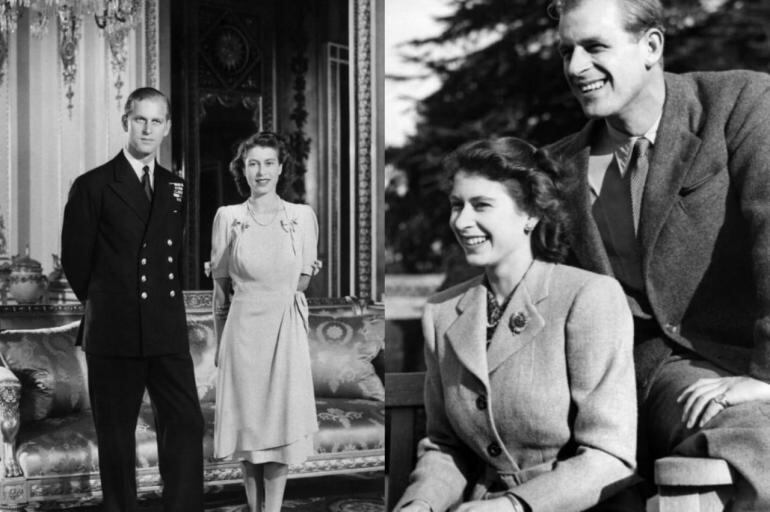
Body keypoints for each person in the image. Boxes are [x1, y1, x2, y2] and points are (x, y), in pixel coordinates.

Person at [547, 0, 770, 509]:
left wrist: (767, 377)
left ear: (651, 46)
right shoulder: (556, 168)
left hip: (746, 364)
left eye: (594, 47)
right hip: (649, 381)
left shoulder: (740, 104)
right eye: (566, 51)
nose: (576, 67)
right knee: (759, 438)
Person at [395, 138, 638, 512]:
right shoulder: (441, 313)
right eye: (457, 205)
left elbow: (609, 455)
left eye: (482, 205)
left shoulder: (588, 297)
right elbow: (446, 447)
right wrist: (420, 504)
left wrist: (511, 506)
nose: (461, 221)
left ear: (530, 214)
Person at [61, 87, 204, 512]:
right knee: (116, 436)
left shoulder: (175, 186)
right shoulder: (93, 185)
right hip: (115, 329)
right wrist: (111, 303)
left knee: (185, 422)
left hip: (165, 328)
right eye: (140, 119)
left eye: (156, 121)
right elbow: (76, 261)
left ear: (167, 128)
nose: (147, 129)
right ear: (126, 121)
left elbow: (174, 256)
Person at [210, 131, 319, 512]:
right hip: (241, 336)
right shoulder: (228, 217)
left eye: (269, 163)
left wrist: (285, 286)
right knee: (249, 435)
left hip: (284, 333)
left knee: (278, 432)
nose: (261, 171)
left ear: (281, 168)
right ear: (242, 169)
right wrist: (220, 346)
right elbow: (220, 293)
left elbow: (301, 282)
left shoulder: (302, 217)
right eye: (253, 163)